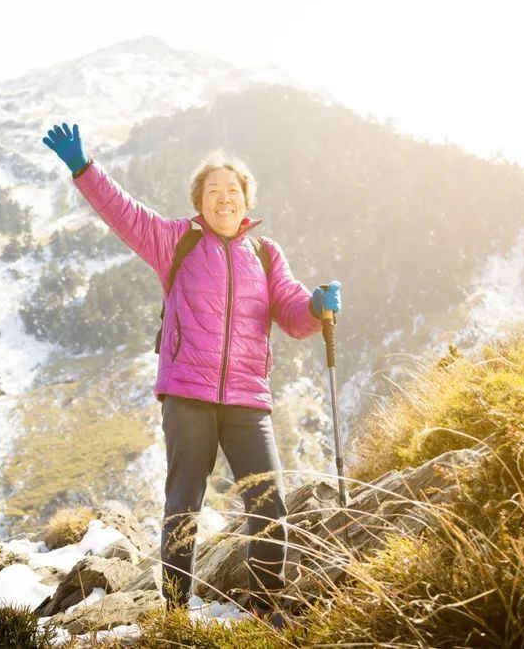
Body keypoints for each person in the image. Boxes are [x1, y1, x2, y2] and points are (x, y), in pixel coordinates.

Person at [43, 123, 341, 618]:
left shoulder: (266, 256)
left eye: (232, 190)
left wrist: (315, 306)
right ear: (198, 201)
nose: (223, 199)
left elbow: (291, 313)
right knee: (184, 503)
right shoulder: (175, 243)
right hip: (188, 396)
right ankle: (176, 610)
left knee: (269, 504)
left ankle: (266, 607)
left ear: (247, 201)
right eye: (212, 191)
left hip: (248, 399)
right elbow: (125, 213)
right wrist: (83, 167)